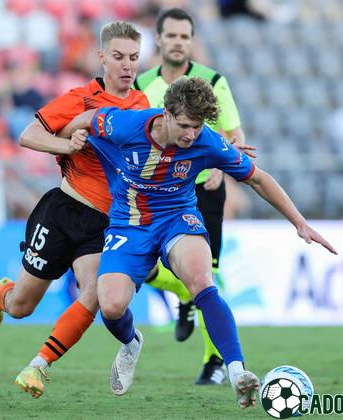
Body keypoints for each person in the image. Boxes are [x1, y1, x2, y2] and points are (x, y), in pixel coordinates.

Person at [64, 77, 337, 409]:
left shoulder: (207, 142)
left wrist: (299, 222)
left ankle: (238, 372)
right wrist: (70, 139)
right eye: (183, 125)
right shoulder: (125, 123)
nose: (190, 134)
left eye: (196, 126)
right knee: (110, 307)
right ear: (165, 114)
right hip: (129, 223)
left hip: (178, 217)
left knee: (202, 281)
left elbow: (259, 179)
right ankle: (131, 342)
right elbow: (82, 121)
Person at [0, 21, 149, 398]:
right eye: (119, 57)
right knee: (21, 306)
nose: (127, 66)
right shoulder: (80, 99)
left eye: (134, 58)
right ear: (102, 57)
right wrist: (67, 146)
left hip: (105, 223)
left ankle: (39, 365)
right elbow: (28, 135)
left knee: (92, 290)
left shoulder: (144, 106)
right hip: (63, 210)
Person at [133, 7, 245, 385]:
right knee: (143, 268)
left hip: (204, 190)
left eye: (185, 36)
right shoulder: (143, 84)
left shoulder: (213, 80)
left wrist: (218, 167)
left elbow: (234, 134)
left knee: (210, 274)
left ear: (191, 41)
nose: (179, 43)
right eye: (172, 36)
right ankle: (183, 294)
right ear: (159, 40)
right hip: (156, 192)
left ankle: (215, 362)